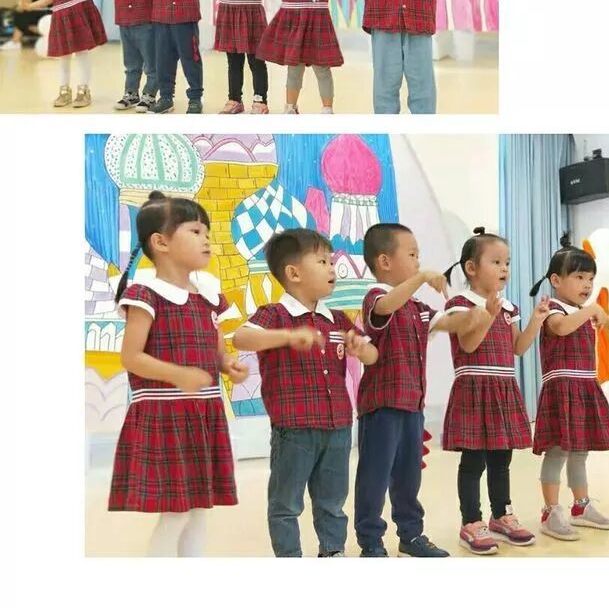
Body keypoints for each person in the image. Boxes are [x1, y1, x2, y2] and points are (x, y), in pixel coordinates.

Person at [108, 191, 247, 556]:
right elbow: (131, 357)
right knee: (176, 512)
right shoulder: (145, 294)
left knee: (199, 509)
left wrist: (226, 365)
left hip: (203, 411)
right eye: (196, 231)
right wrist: (178, 374)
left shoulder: (207, 294)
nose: (206, 240)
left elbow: (215, 349)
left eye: (207, 233)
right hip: (165, 413)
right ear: (161, 242)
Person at [233, 228, 377, 557]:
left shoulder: (337, 319)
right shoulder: (274, 315)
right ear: (294, 273)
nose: (332, 268)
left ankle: (333, 551)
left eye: (331, 261)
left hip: (338, 426)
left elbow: (372, 355)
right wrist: (286, 336)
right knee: (286, 503)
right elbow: (242, 338)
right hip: (294, 429)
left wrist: (361, 349)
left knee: (333, 501)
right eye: (322, 261)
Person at [354, 222, 485, 557]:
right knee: (374, 476)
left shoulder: (417, 309)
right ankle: (371, 541)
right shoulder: (376, 297)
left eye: (418, 256)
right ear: (385, 261)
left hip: (413, 406)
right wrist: (423, 277)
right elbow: (386, 306)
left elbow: (448, 322)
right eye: (412, 254)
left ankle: (411, 535)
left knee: (408, 476)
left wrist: (477, 309)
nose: (418, 261)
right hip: (382, 406)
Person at [442, 228, 550, 554]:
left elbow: (518, 347)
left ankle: (501, 514)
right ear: (471, 268)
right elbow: (469, 344)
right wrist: (488, 315)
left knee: (502, 459)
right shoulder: (459, 304)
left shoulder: (509, 307)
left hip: (503, 386)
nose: (504, 268)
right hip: (474, 387)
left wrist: (536, 321)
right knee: (473, 461)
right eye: (496, 262)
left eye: (507, 262)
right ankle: (471, 521)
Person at [530, 233, 609, 541]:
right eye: (579, 277)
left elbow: (606, 321)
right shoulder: (553, 309)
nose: (587, 284)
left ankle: (581, 506)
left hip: (585, 386)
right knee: (557, 451)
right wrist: (592, 310)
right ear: (556, 280)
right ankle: (550, 511)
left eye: (590, 278)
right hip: (562, 389)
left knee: (580, 451)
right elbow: (562, 328)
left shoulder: (585, 311)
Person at [96, 0, 157, 112]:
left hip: (146, 25)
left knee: (151, 64)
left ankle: (150, 95)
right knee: (131, 64)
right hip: (125, 25)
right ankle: (131, 94)